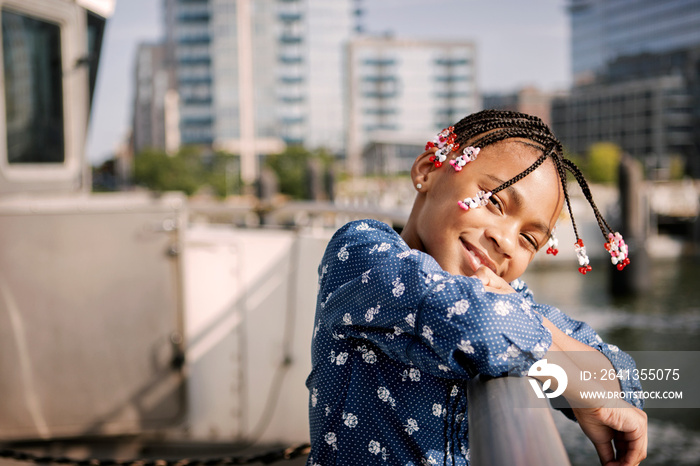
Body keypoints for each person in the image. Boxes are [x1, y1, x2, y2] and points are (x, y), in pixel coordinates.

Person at [305, 110, 647, 466]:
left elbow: (621, 377)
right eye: (495, 201)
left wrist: (536, 328)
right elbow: (478, 322)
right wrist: (576, 383)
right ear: (428, 170)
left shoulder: (510, 299)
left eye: (529, 238)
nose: (506, 241)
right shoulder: (361, 253)